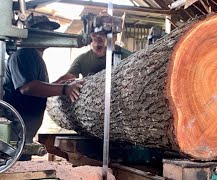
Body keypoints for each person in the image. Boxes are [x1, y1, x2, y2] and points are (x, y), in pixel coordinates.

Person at [3, 15, 84, 160]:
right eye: (43, 30)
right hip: (13, 133)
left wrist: (57, 84)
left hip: (21, 133)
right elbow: (28, 87)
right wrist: (64, 89)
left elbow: (36, 85)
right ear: (30, 33)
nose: (48, 34)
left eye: (50, 30)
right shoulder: (24, 54)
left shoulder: (35, 56)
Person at [55, 31, 132, 83]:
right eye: (94, 34)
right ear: (89, 37)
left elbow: (135, 59)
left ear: (106, 37)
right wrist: (53, 86)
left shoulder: (118, 53)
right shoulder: (82, 59)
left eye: (101, 34)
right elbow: (69, 76)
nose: (98, 37)